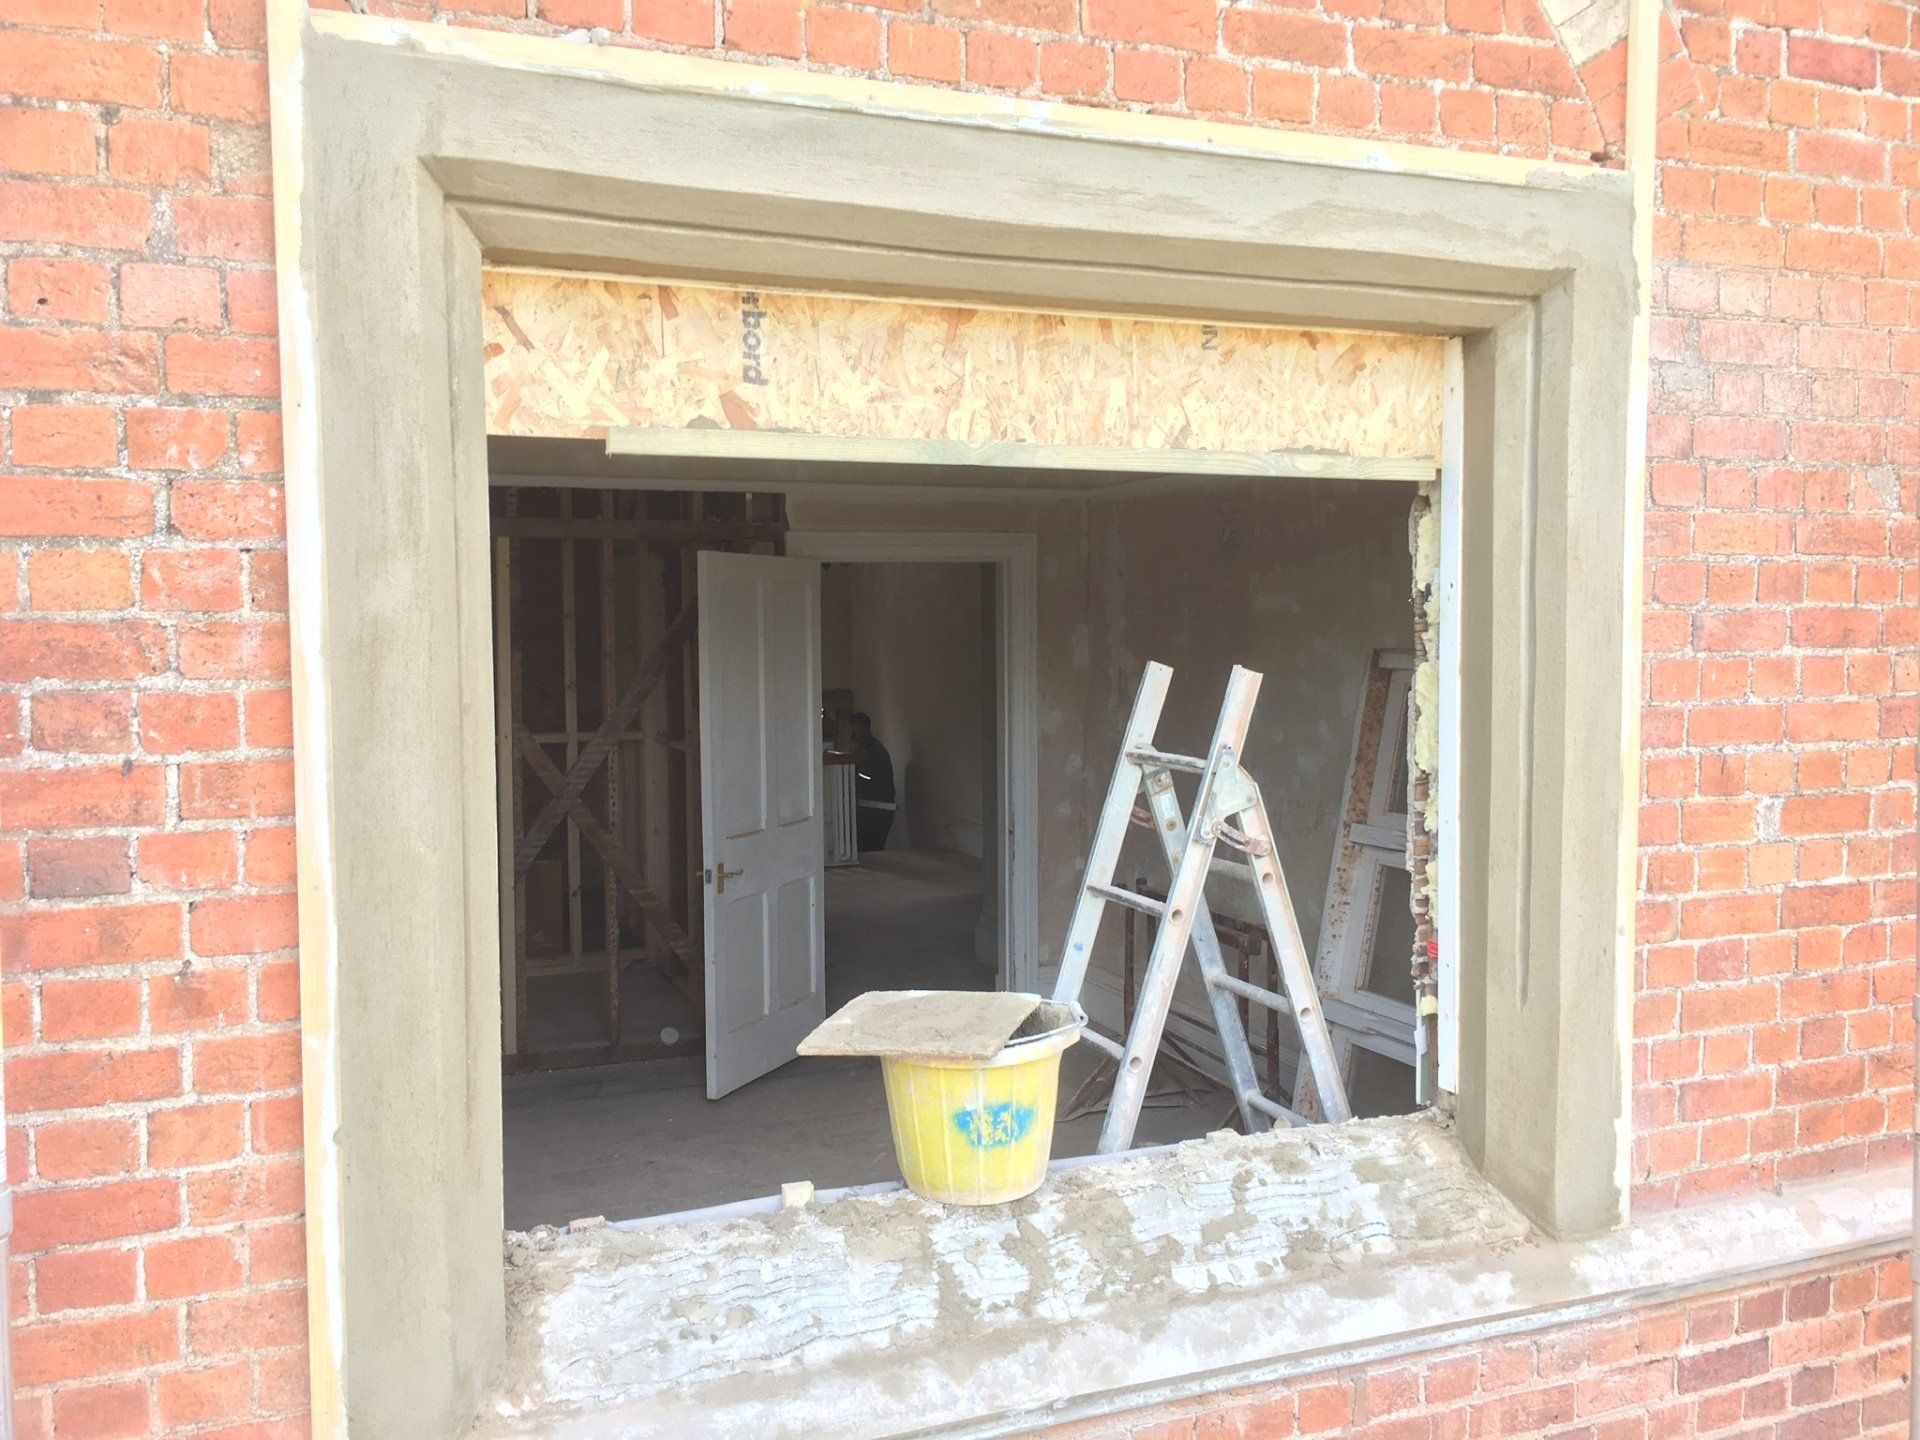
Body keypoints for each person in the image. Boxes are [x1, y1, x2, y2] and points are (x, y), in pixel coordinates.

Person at [850, 711, 895, 854]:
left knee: (866, 850)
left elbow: (864, 777)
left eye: (853, 730)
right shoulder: (875, 747)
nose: (852, 734)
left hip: (873, 807)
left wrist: (850, 783)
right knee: (873, 849)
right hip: (881, 806)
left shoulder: (867, 750)